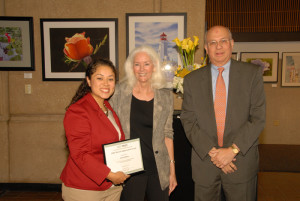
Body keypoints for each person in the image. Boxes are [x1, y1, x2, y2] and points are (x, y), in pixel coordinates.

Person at [180, 25, 266, 201]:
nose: (218, 47)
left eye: (223, 41)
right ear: (206, 48)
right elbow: (189, 120)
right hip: (205, 164)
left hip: (241, 164)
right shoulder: (191, 80)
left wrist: (232, 151)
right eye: (212, 42)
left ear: (232, 44)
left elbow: (258, 118)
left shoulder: (252, 74)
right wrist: (216, 154)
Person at [110, 45, 177, 201]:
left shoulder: (165, 97)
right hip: (129, 169)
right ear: (131, 67)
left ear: (154, 67)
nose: (142, 69)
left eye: (146, 64)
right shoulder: (118, 92)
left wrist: (172, 171)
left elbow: (168, 134)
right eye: (137, 64)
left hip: (158, 168)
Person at [60, 58, 130, 201]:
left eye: (110, 79)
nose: (106, 84)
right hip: (84, 189)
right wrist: (110, 175)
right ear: (89, 81)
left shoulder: (107, 107)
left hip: (111, 188)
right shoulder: (78, 111)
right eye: (100, 78)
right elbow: (80, 154)